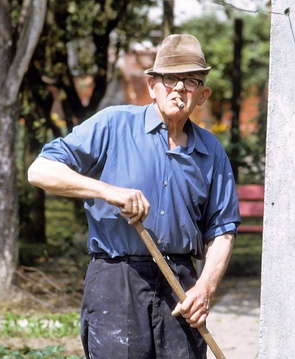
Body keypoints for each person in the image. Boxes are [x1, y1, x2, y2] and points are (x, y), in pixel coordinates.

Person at [28, 34, 241, 359]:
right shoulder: (113, 124)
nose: (180, 89)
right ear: (152, 85)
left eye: (191, 81)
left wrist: (205, 289)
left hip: (181, 286)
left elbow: (223, 231)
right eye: (171, 78)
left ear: (202, 94)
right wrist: (107, 191)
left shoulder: (211, 150)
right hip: (117, 280)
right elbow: (40, 171)